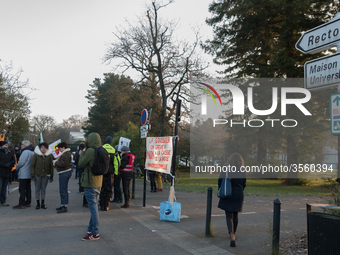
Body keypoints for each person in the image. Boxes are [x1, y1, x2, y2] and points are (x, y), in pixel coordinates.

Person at [218, 153, 246, 247]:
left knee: (229, 215)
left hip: (228, 193)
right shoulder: (242, 169)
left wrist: (220, 189)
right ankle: (234, 233)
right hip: (238, 194)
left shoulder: (226, 167)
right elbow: (244, 183)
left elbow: (220, 180)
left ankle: (231, 234)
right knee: (236, 215)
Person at [78, 132, 103, 241]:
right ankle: (90, 230)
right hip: (98, 182)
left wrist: (82, 153)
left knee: (93, 209)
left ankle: (95, 233)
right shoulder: (101, 150)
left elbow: (81, 164)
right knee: (94, 207)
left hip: (90, 182)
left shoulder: (90, 151)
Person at [31, 142, 54, 209]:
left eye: (45, 147)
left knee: (43, 190)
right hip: (37, 175)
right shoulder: (36, 155)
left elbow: (51, 166)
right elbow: (32, 165)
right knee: (37, 189)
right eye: (42, 147)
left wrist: (51, 176)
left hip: (45, 175)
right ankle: (38, 203)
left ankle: (43, 204)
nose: (43, 149)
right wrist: (32, 175)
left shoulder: (49, 156)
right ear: (40, 148)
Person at [13, 140, 34, 209]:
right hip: (29, 173)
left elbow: (21, 162)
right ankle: (28, 202)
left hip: (23, 173)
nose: (21, 145)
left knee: (22, 189)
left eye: (22, 144)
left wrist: (16, 167)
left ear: (26, 145)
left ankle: (21, 203)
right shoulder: (32, 152)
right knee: (28, 188)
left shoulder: (25, 152)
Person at [100, 136, 117, 211]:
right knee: (109, 188)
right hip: (111, 172)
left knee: (102, 188)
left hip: (102, 172)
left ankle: (102, 205)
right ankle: (107, 205)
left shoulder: (100, 149)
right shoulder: (114, 150)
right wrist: (116, 173)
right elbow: (116, 163)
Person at [54, 142, 72, 213]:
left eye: (60, 148)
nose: (60, 150)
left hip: (64, 172)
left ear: (63, 147)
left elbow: (62, 164)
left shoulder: (65, 154)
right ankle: (63, 205)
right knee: (63, 189)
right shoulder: (66, 153)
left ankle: (64, 206)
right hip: (65, 172)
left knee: (63, 190)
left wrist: (55, 162)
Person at [0, 141, 15, 207]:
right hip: (0, 172)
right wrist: (3, 165)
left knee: (4, 188)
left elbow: (13, 160)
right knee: (0, 188)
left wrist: (10, 164)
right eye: (5, 145)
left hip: (7, 173)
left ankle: (3, 201)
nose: (6, 146)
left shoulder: (10, 153)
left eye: (7, 145)